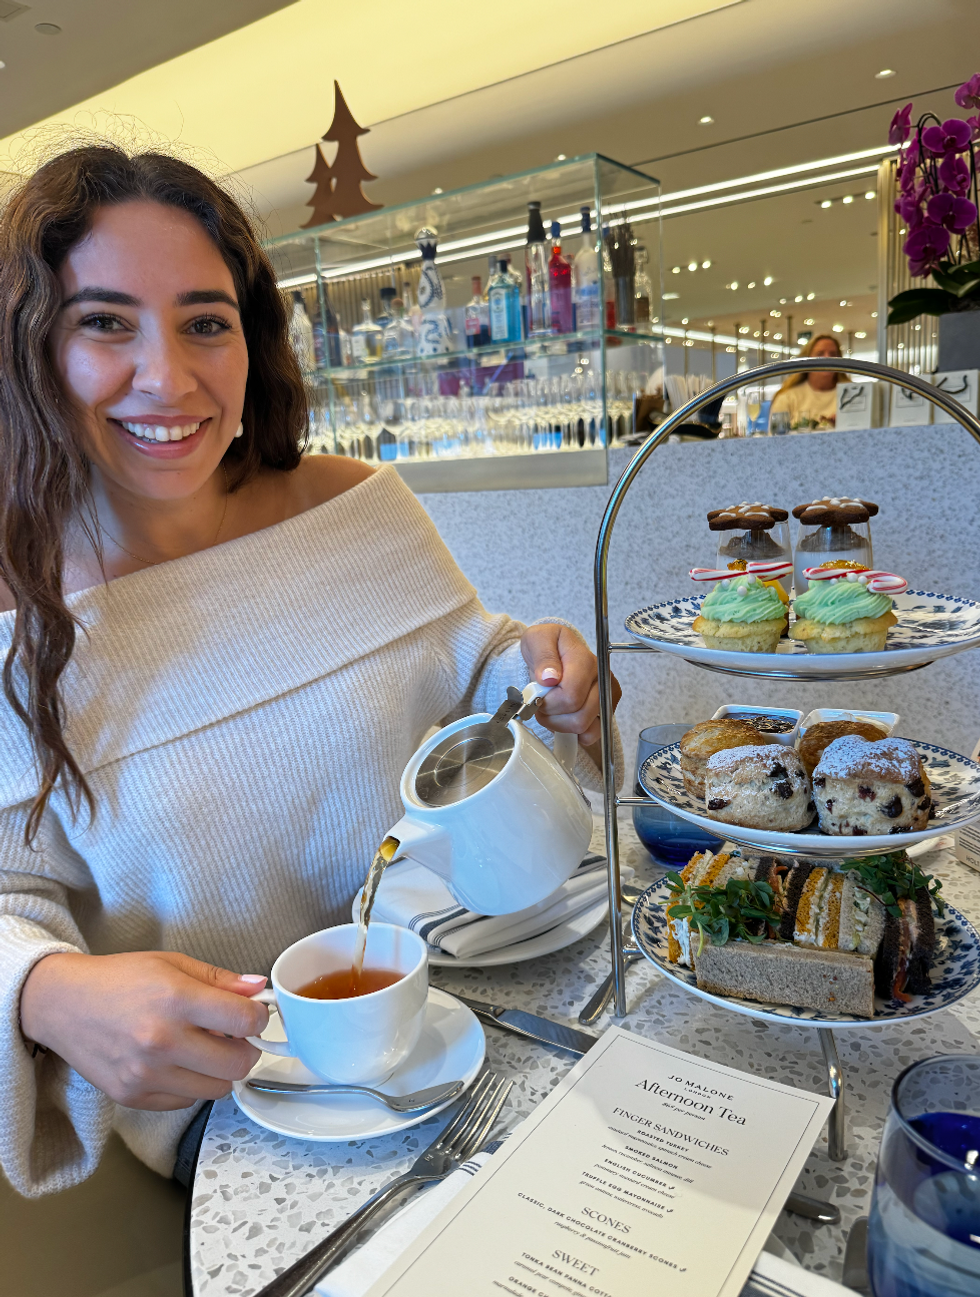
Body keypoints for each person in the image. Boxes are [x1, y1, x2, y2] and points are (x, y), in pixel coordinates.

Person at [0, 146, 620, 1198]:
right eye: (104, 322)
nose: (168, 377)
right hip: (240, 1105)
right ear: (28, 349)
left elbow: (469, 678)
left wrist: (542, 673)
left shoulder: (352, 508)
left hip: (490, 996)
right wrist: (43, 988)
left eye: (205, 322)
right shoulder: (15, 610)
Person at [768, 334, 848, 430]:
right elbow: (776, 436)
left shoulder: (853, 394)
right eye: (820, 354)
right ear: (807, 360)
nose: (827, 358)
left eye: (833, 354)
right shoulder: (787, 398)